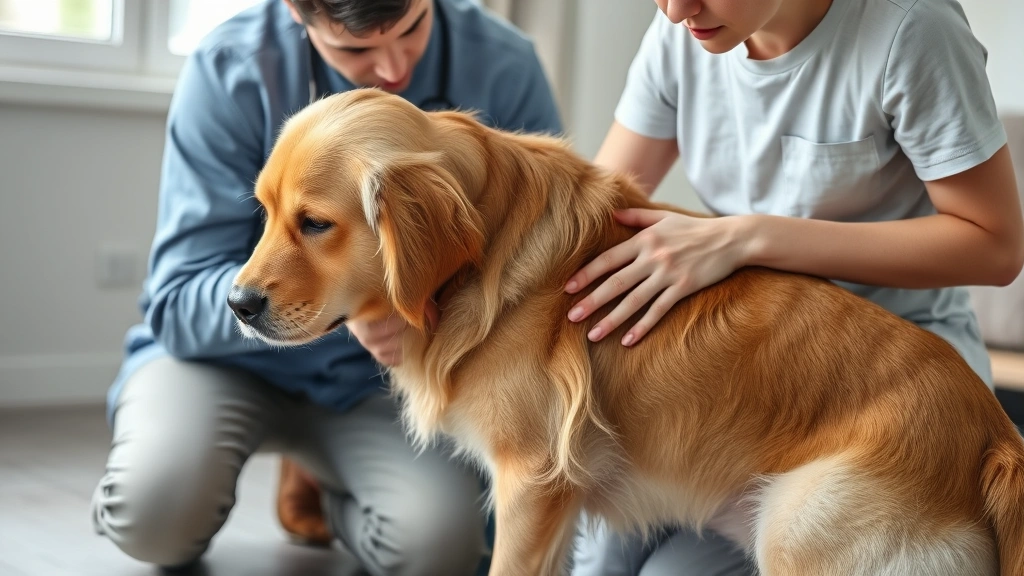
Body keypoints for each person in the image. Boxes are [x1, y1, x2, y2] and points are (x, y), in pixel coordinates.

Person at [89, 0, 562, 574]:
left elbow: (536, 269)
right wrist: (363, 306)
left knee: (440, 550)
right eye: (356, 48)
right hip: (221, 361)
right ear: (297, 11)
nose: (394, 70)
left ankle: (324, 487)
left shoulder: (505, 63)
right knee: (150, 520)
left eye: (413, 29)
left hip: (384, 385)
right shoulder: (229, 66)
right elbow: (176, 301)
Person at [564, 0, 1024, 574]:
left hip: (890, 391)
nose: (678, 9)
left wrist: (750, 238)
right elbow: (595, 219)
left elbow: (995, 246)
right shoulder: (680, 30)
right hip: (750, 381)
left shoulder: (911, 28)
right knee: (599, 545)